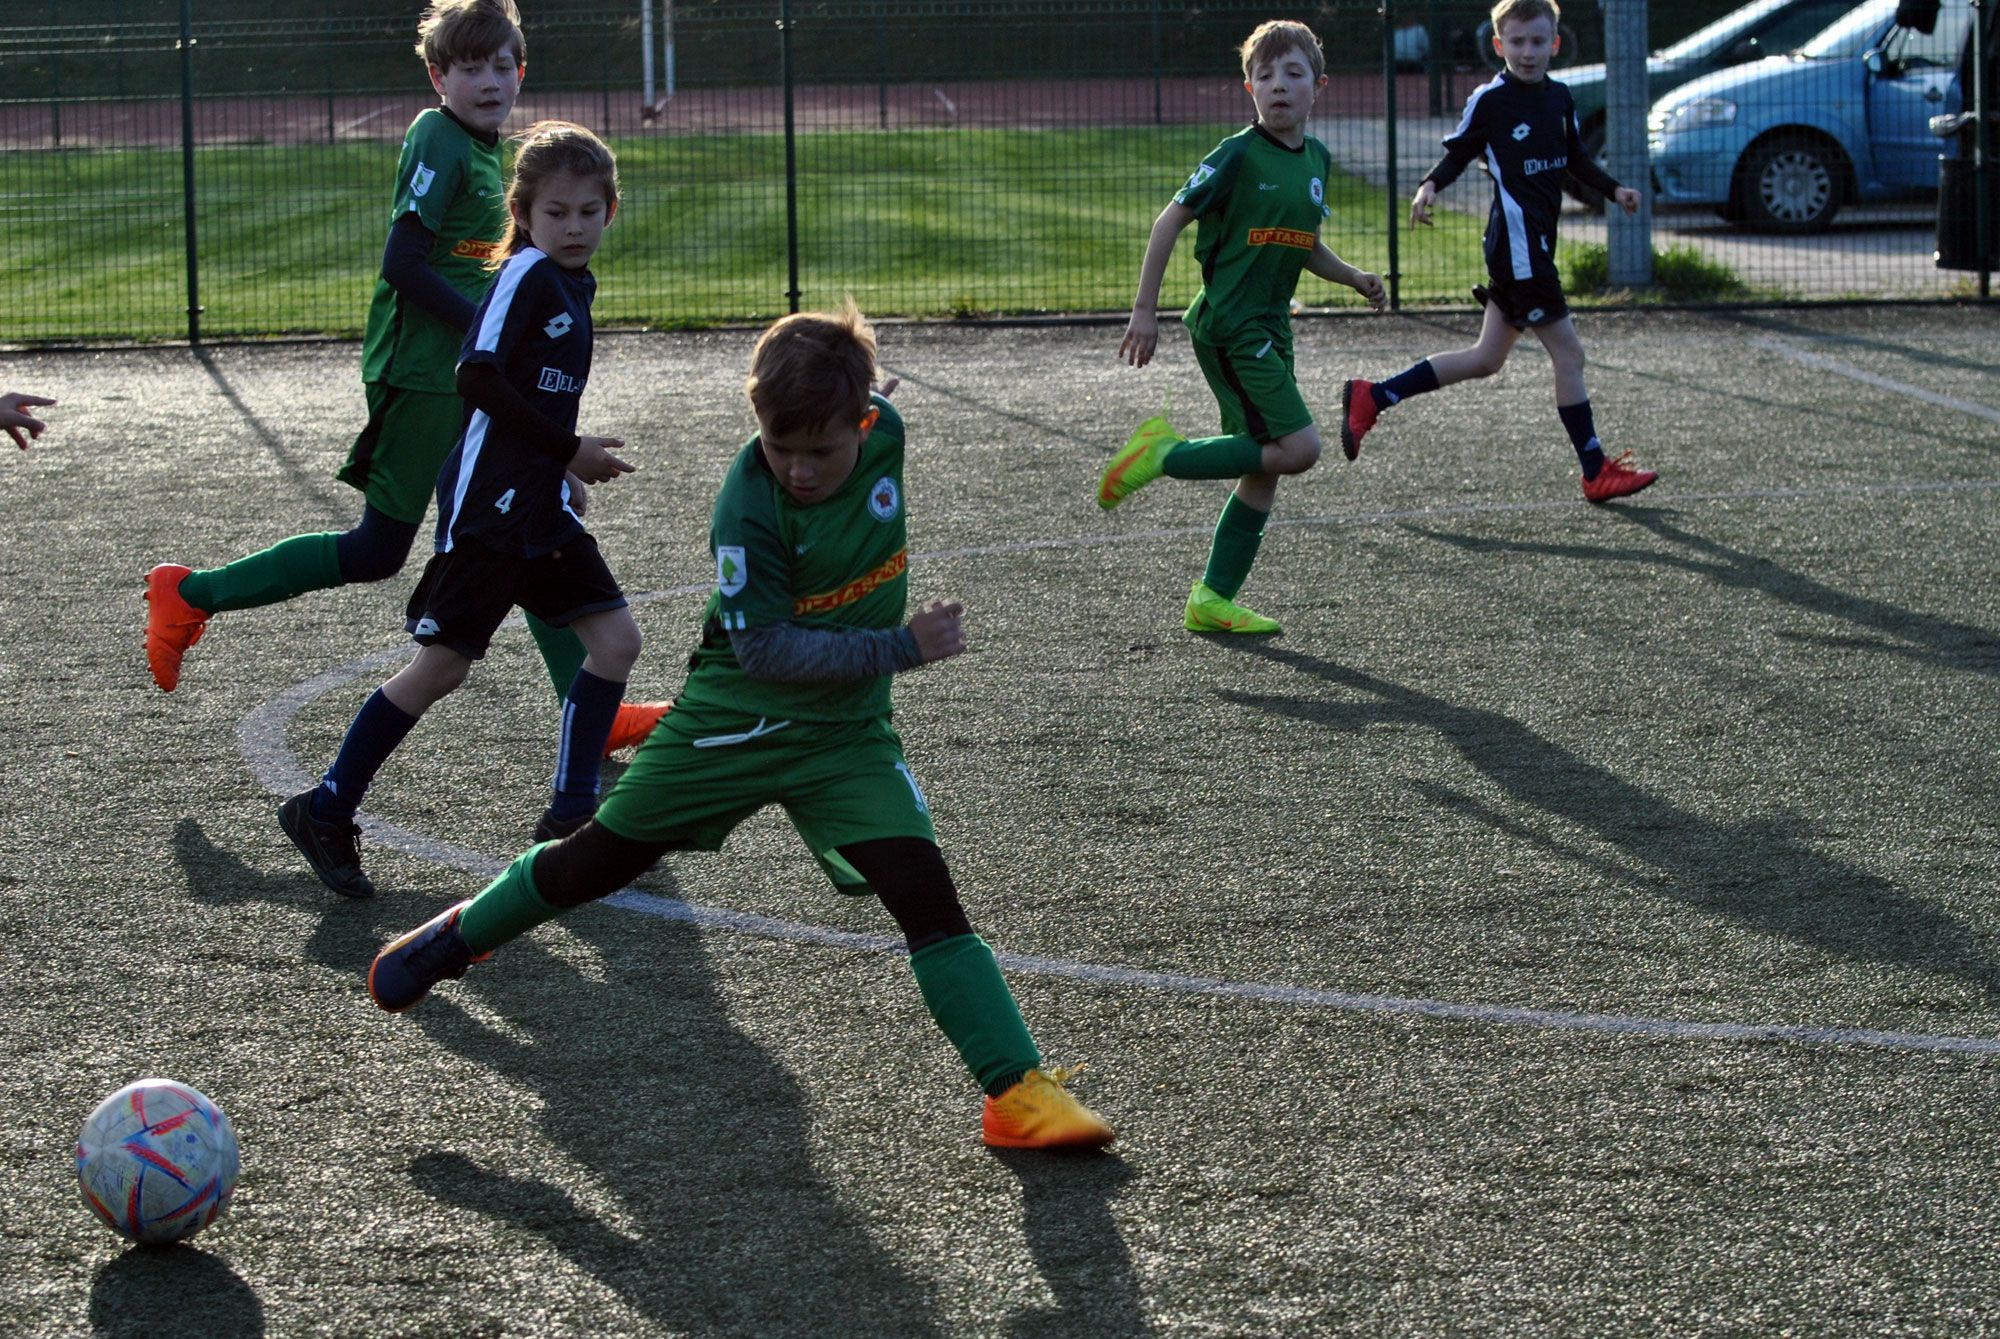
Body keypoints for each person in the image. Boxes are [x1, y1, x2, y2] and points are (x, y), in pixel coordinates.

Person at [365, 303, 1116, 1151]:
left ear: (865, 421)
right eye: (778, 445)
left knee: (929, 900)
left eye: (820, 449)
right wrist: (903, 646)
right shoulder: (747, 508)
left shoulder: (885, 428)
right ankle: (457, 937)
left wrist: (861, 388)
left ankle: (1016, 1094)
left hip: (847, 737)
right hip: (735, 721)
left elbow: (863, 400)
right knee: (593, 864)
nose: (797, 468)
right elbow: (766, 650)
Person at [141, 0, 668, 751]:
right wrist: (494, 341)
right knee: (379, 550)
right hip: (428, 376)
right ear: (437, 75)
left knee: (531, 526)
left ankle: (590, 708)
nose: (489, 80)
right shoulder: (437, 136)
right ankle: (189, 593)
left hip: (468, 377)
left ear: (521, 69)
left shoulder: (496, 153)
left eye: (502, 64)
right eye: (469, 66)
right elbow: (403, 264)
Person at [280, 120, 641, 900]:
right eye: (556, 212)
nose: (573, 226)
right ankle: (326, 807)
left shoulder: (573, 282)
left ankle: (570, 817)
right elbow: (475, 378)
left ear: (610, 211)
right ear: (523, 214)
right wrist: (567, 450)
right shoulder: (524, 275)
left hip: (537, 499)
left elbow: (535, 389)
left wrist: (559, 466)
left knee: (614, 639)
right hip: (491, 508)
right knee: (441, 666)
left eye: (588, 210)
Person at [1099, 19, 1386, 636]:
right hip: (1231, 325)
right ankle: (1159, 454)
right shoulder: (1234, 154)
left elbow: (1302, 244)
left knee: (1267, 464)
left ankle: (1211, 600)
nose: (1278, 85)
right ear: (1248, 88)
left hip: (1272, 326)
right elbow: (1166, 223)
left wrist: (1353, 276)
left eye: (1293, 73)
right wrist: (1144, 311)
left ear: (1319, 85)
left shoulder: (1317, 159)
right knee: (1301, 448)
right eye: (1265, 75)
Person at [1339, 0, 1659, 504]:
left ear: (1554, 44)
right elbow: (1460, 151)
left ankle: (1373, 396)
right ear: (1499, 45)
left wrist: (1615, 189)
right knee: (1570, 354)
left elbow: (1575, 157)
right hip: (1517, 251)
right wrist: (1429, 187)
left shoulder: (1560, 98)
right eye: (1517, 42)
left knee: (1485, 358)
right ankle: (1595, 469)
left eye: (1537, 42)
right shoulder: (1491, 101)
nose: (1527, 52)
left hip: (1534, 249)